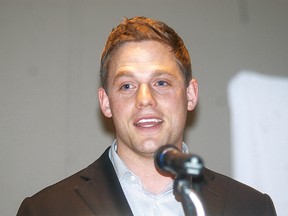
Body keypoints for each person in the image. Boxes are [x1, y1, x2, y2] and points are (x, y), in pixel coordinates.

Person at [17, 16, 277, 216]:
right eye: (127, 86)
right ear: (106, 102)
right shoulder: (46, 210)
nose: (144, 99)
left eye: (161, 83)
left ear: (190, 94)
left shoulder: (252, 207)